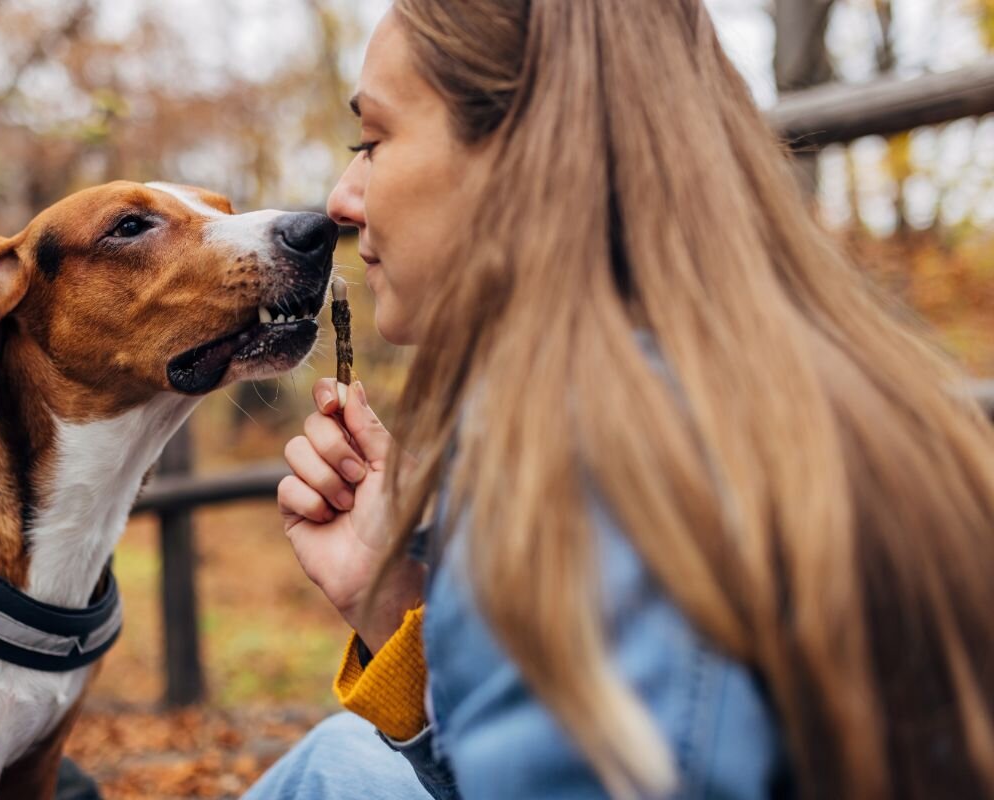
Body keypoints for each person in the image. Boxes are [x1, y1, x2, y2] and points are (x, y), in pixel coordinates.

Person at [246, 1, 994, 798]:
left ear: (525, 149)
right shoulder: (765, 383)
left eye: (372, 143)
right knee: (336, 759)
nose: (340, 197)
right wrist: (395, 609)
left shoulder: (593, 460)